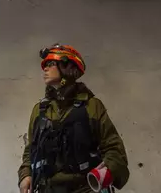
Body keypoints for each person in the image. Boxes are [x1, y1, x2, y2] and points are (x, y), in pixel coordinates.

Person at [18, 44, 129, 193]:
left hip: (85, 188)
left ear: (67, 68)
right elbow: (31, 150)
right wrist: (26, 175)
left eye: (51, 64)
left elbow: (113, 148)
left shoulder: (91, 106)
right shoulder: (39, 110)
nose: (45, 68)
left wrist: (105, 173)